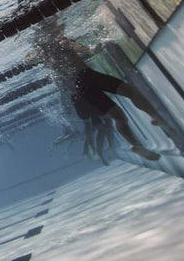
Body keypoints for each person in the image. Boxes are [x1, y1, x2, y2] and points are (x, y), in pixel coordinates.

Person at [31, 26, 175, 162]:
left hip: (79, 87)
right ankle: (154, 116)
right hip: (88, 76)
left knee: (118, 116)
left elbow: (35, 60)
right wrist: (94, 46)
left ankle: (137, 145)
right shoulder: (61, 40)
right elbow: (88, 50)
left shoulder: (44, 54)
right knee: (130, 92)